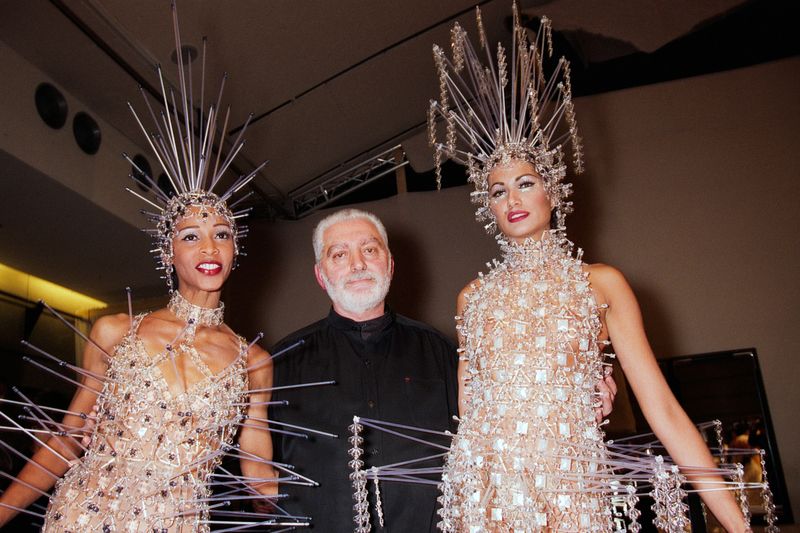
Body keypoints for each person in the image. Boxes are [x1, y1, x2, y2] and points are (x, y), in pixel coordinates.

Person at [426, 6, 763, 533]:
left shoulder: (600, 284)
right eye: (498, 191)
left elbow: (662, 408)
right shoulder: (472, 298)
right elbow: (470, 414)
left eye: (526, 183)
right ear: (487, 207)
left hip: (571, 497)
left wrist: (738, 526)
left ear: (553, 191)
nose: (512, 199)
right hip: (487, 500)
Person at [0, 8, 278, 531]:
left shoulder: (255, 363)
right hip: (84, 517)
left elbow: (259, 469)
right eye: (190, 236)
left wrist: (283, 504)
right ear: (168, 253)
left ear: (235, 248)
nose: (209, 246)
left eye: (222, 233)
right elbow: (67, 440)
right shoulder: (114, 332)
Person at [269, 208, 617, 531]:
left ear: (390, 264)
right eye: (339, 255)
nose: (358, 264)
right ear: (320, 274)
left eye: (370, 250)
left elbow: (499, 422)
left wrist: (571, 386)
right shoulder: (282, 362)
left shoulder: (441, 351)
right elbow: (256, 468)